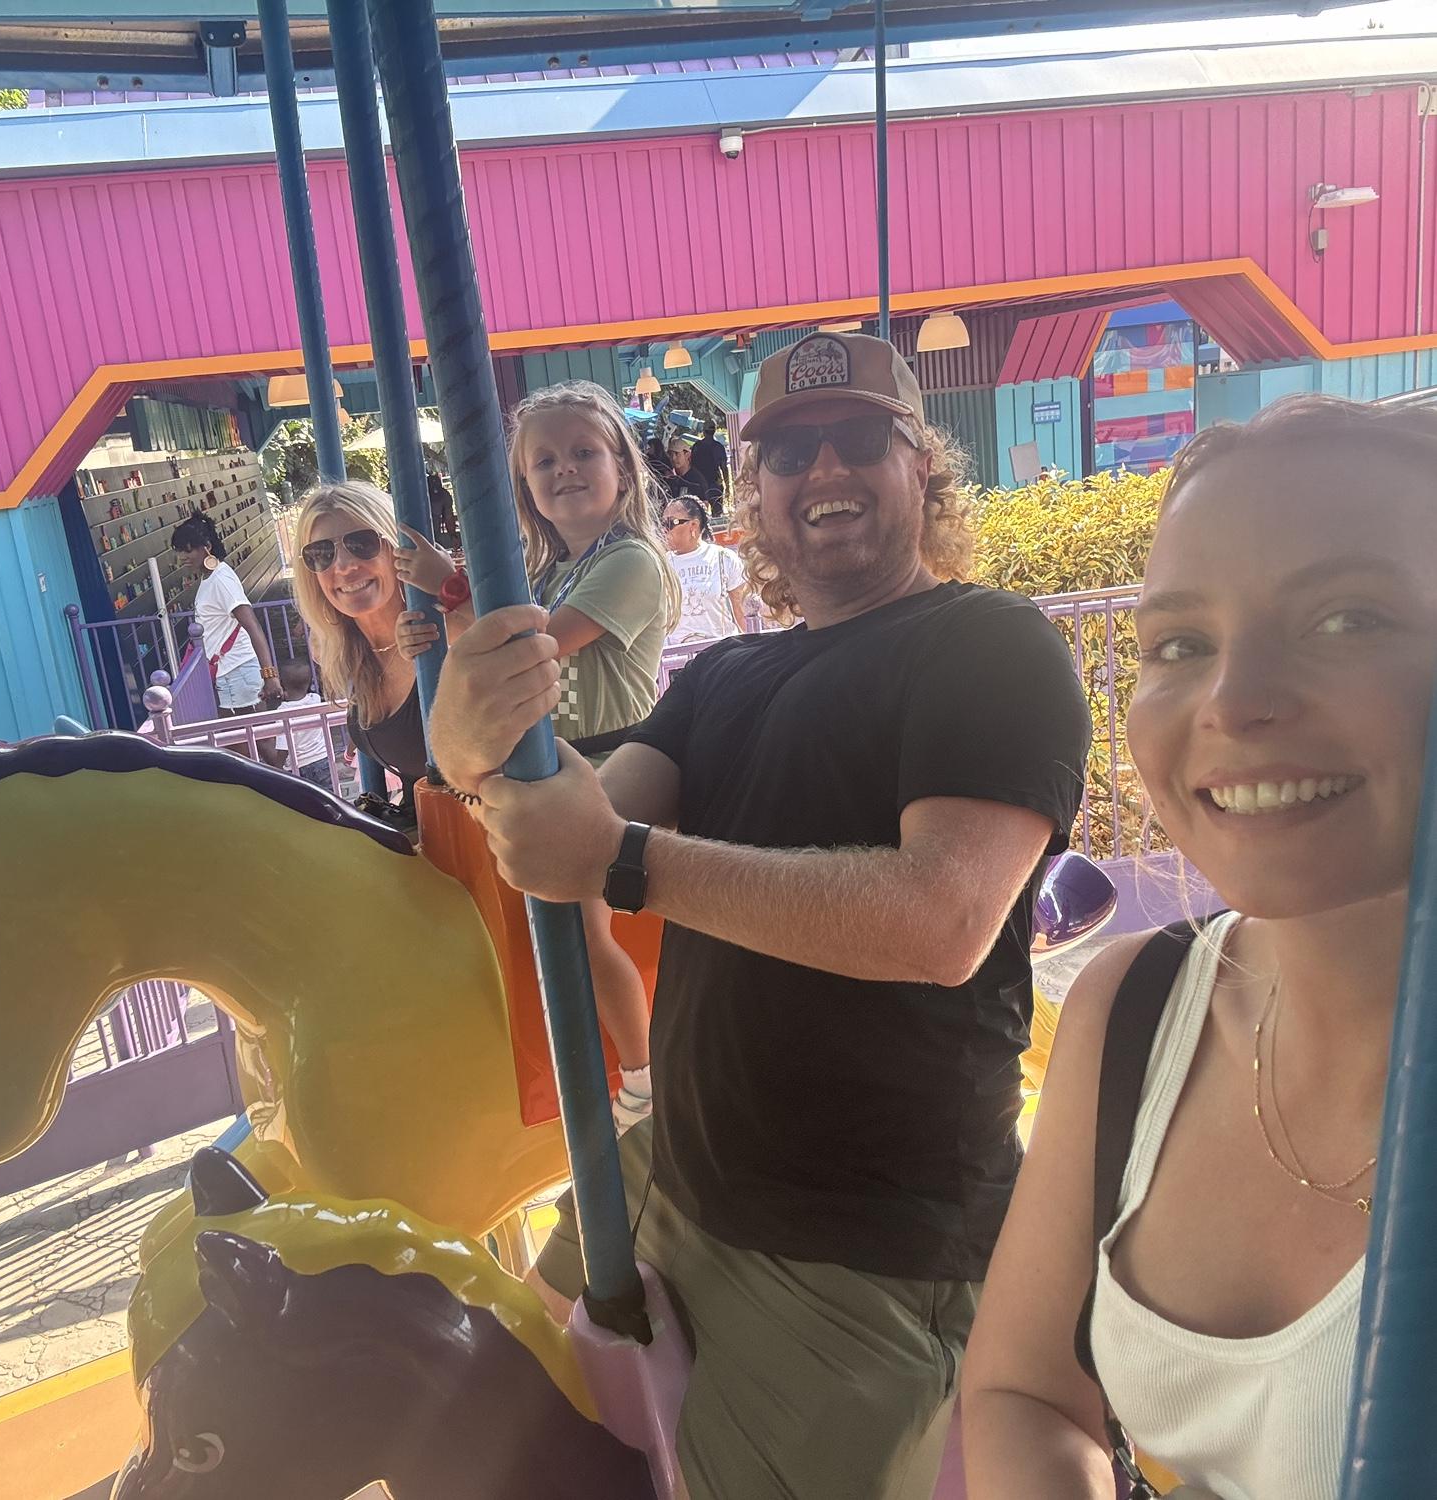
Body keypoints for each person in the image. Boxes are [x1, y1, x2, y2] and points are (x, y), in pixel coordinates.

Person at [429, 331, 1092, 1499]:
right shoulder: (724, 677)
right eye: (789, 450)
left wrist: (626, 861)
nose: (823, 467)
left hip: (857, 1243)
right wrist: (471, 746)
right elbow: (578, 822)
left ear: (920, 466)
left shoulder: (989, 645)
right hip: (667, 1167)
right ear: (756, 489)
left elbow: (940, 920)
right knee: (500, 1438)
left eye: (857, 438)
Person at [962, 395, 1437, 1500]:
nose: (1235, 700)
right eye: (1180, 644)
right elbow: (1024, 1392)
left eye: (1347, 620)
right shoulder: (1136, 1002)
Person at [395, 379, 680, 1134]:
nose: (565, 469)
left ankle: (644, 1079)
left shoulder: (633, 561)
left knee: (583, 927)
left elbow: (539, 643)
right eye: (544, 461)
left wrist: (447, 587)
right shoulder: (550, 570)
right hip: (556, 762)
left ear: (622, 468)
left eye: (584, 452)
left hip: (616, 762)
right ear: (525, 484)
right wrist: (435, 627)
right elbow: (491, 638)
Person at [290, 480, 427, 818]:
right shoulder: (346, 651)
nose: (344, 565)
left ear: (394, 548)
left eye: (362, 543)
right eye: (321, 554)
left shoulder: (440, 632)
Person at [170, 511, 283, 719]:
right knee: (251, 734)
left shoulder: (220, 579)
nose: (182, 557)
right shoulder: (211, 577)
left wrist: (270, 675)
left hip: (237, 670)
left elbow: (252, 625)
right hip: (231, 671)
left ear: (207, 547)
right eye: (179, 551)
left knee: (249, 734)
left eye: (188, 550)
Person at [661, 494, 749, 643]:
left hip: (721, 650)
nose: (664, 530)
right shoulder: (661, 565)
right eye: (662, 524)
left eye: (670, 523)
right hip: (677, 652)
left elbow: (741, 611)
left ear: (693, 525)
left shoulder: (723, 558)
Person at [266, 658, 334, 792]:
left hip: (298, 766)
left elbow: (284, 746)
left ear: (282, 683)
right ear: (309, 682)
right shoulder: (315, 700)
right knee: (329, 796)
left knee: (303, 800)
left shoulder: (283, 711)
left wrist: (277, 768)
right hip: (322, 759)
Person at [690, 419, 732, 515]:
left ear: (703, 431)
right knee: (717, 514)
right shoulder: (719, 447)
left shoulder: (697, 446)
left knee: (699, 515)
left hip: (699, 485)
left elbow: (691, 467)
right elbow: (724, 468)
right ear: (714, 431)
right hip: (715, 484)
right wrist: (728, 486)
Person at [663, 434, 711, 504]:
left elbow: (704, 505)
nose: (673, 458)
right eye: (670, 454)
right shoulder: (670, 479)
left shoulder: (697, 480)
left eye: (677, 454)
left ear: (687, 455)